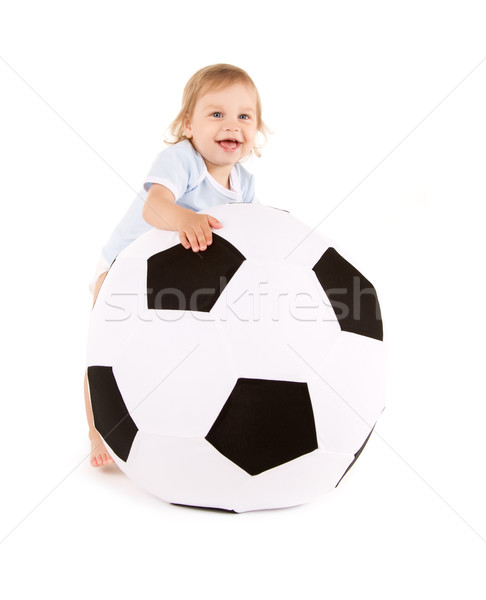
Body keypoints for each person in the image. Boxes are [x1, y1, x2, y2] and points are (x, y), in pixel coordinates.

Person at [85, 63, 269, 467]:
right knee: (104, 348)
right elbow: (155, 207)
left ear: (256, 129)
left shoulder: (245, 183)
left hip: (174, 284)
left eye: (244, 116)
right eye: (216, 114)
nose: (231, 125)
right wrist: (184, 219)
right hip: (123, 267)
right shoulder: (181, 160)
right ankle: (97, 431)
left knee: (158, 354)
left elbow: (249, 236)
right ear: (188, 125)